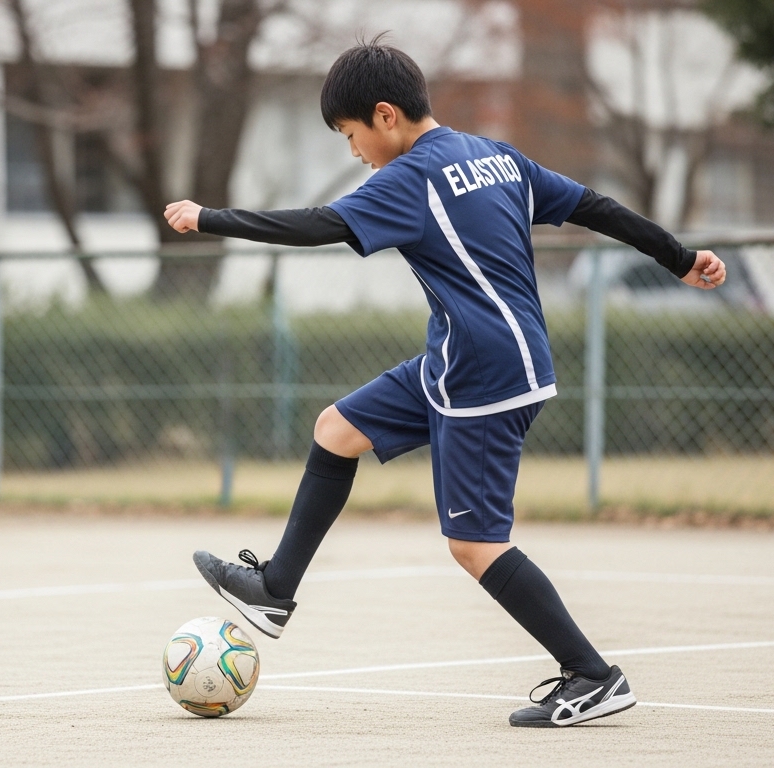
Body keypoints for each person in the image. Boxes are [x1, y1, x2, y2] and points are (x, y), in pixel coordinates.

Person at [163, 37, 726, 728]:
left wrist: (208, 218)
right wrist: (679, 257)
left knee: (475, 543)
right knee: (336, 430)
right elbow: (594, 205)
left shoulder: (410, 180)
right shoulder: (495, 156)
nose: (354, 153)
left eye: (350, 136)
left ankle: (592, 675)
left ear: (385, 115)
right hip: (466, 358)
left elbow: (318, 226)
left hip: (482, 375)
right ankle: (275, 589)